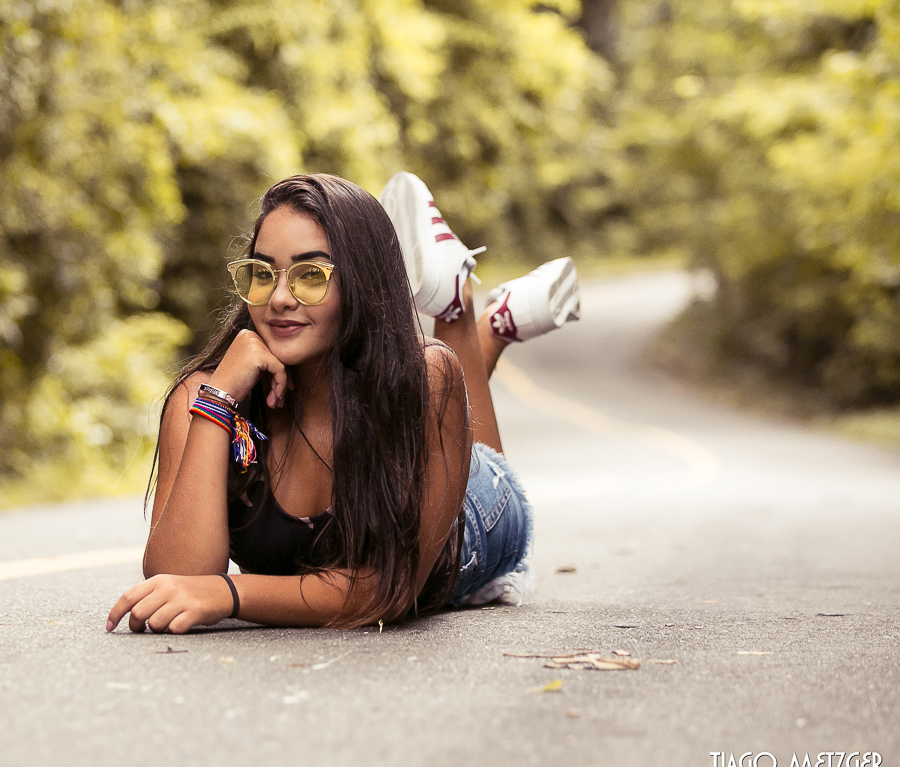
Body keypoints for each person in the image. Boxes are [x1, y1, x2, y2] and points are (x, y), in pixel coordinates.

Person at [106, 172, 580, 634]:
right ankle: (482, 320)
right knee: (444, 396)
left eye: (311, 275)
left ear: (361, 282)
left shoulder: (426, 379)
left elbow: (387, 591)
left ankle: (462, 308)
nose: (281, 298)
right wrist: (218, 402)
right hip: (407, 429)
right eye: (262, 273)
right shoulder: (204, 397)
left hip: (476, 520)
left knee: (471, 442)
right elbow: (177, 578)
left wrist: (232, 594)